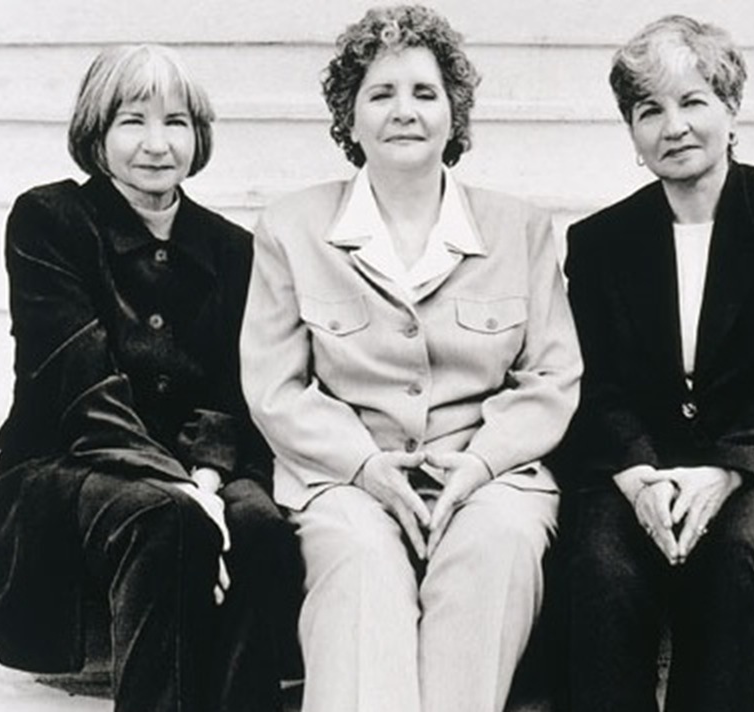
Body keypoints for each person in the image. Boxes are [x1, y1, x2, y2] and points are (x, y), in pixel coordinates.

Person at [239, 6, 582, 712]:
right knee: (359, 563)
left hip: (489, 476)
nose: (405, 111)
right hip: (344, 478)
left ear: (455, 115)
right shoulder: (291, 228)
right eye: (381, 94)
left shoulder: (518, 228)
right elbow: (276, 386)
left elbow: (552, 375)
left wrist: (480, 465)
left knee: (497, 545)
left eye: (426, 93)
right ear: (350, 116)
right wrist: (366, 467)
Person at [0, 44, 300, 712]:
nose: (156, 143)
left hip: (196, 475)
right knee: (168, 518)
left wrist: (207, 482)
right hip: (69, 469)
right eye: (132, 121)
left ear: (198, 136)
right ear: (97, 132)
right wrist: (185, 491)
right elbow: (80, 388)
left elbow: (231, 394)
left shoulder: (231, 248)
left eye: (176, 122)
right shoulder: (50, 222)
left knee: (257, 524)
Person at [551, 15, 754, 712]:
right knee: (600, 568)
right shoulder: (600, 241)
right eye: (649, 111)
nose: (674, 126)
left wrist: (725, 469)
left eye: (693, 101)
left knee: (737, 555)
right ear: (632, 132)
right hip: (643, 461)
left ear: (730, 107)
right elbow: (595, 380)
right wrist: (637, 477)